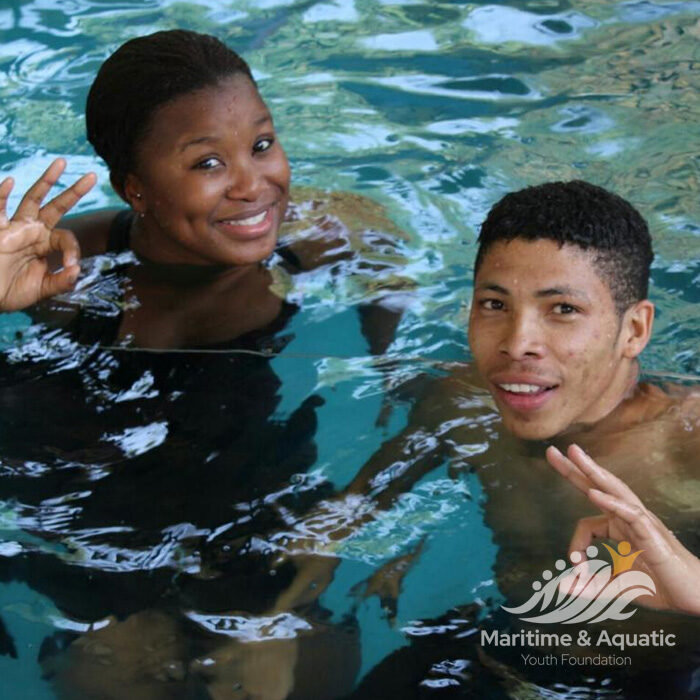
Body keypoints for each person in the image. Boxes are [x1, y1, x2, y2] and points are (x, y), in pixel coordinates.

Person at [0, 29, 412, 700]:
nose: (254, 186)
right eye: (208, 163)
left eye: (262, 144)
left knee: (299, 671)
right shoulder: (66, 271)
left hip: (243, 482)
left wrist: (387, 370)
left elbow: (390, 284)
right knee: (114, 674)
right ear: (135, 188)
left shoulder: (327, 236)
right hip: (86, 497)